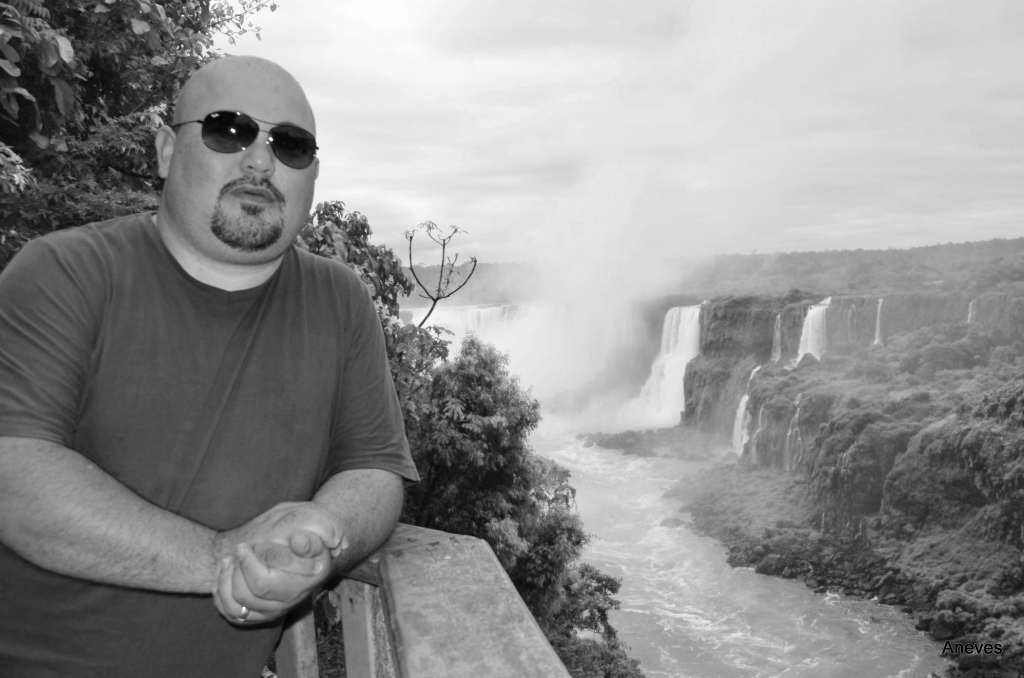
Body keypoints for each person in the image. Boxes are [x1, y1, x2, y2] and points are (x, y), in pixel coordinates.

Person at [0, 56, 418, 677]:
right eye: (229, 130)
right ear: (167, 151)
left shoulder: (340, 300)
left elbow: (375, 468)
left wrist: (324, 534)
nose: (260, 161)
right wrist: (228, 559)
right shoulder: (64, 273)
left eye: (290, 145)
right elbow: (14, 474)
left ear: (312, 174)